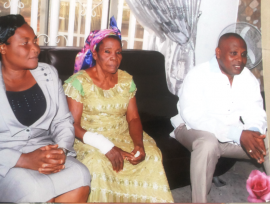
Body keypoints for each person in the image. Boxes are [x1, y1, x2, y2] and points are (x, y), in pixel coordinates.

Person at [0, 14, 90, 203]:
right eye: (25, 43)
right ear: (3, 48)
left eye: (34, 40)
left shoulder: (48, 73)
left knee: (80, 174)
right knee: (35, 190)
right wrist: (23, 159)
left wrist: (61, 151)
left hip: (43, 151)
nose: (35, 48)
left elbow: (62, 121)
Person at [63, 17, 174, 203]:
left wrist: (138, 144)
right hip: (89, 139)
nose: (114, 58)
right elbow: (72, 126)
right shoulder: (78, 82)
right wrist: (105, 146)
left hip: (122, 134)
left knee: (152, 156)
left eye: (118, 53)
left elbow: (133, 118)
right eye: (107, 52)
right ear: (95, 53)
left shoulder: (126, 80)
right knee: (98, 163)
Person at [170, 33, 269, 203]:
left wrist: (253, 132)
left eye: (243, 54)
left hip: (230, 136)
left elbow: (255, 110)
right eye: (234, 53)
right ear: (218, 52)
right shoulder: (198, 74)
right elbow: (194, 116)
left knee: (266, 140)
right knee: (208, 143)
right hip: (190, 129)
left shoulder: (247, 78)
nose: (240, 60)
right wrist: (237, 134)